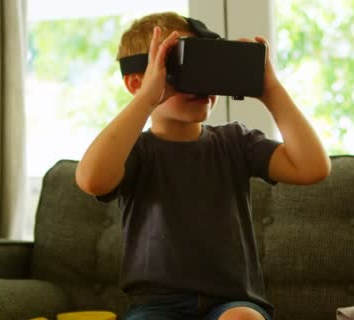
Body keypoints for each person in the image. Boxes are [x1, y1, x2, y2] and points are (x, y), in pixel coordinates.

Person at [75, 11, 331, 320]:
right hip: (157, 306)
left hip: (232, 302)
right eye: (180, 65)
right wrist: (146, 100)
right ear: (136, 82)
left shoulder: (236, 142)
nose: (201, 82)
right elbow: (92, 179)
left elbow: (313, 167)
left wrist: (271, 91)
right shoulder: (135, 152)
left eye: (206, 66)